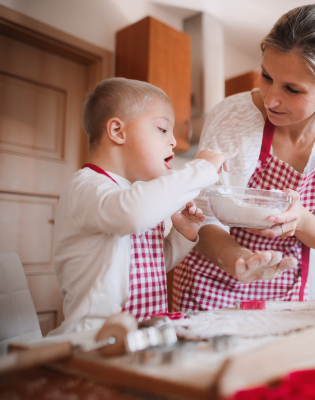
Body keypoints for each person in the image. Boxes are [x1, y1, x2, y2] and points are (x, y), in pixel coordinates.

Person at [173, 4, 315, 311]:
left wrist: (300, 219)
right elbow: (203, 215)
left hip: (285, 291)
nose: (271, 98)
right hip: (211, 284)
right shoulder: (231, 116)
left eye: (292, 89)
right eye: (266, 76)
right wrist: (239, 259)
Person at [50, 78, 237, 334]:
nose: (173, 141)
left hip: (142, 336)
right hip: (93, 339)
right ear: (117, 131)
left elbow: (150, 267)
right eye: (162, 129)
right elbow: (133, 214)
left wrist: (180, 235)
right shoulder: (87, 187)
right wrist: (201, 167)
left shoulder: (134, 193)